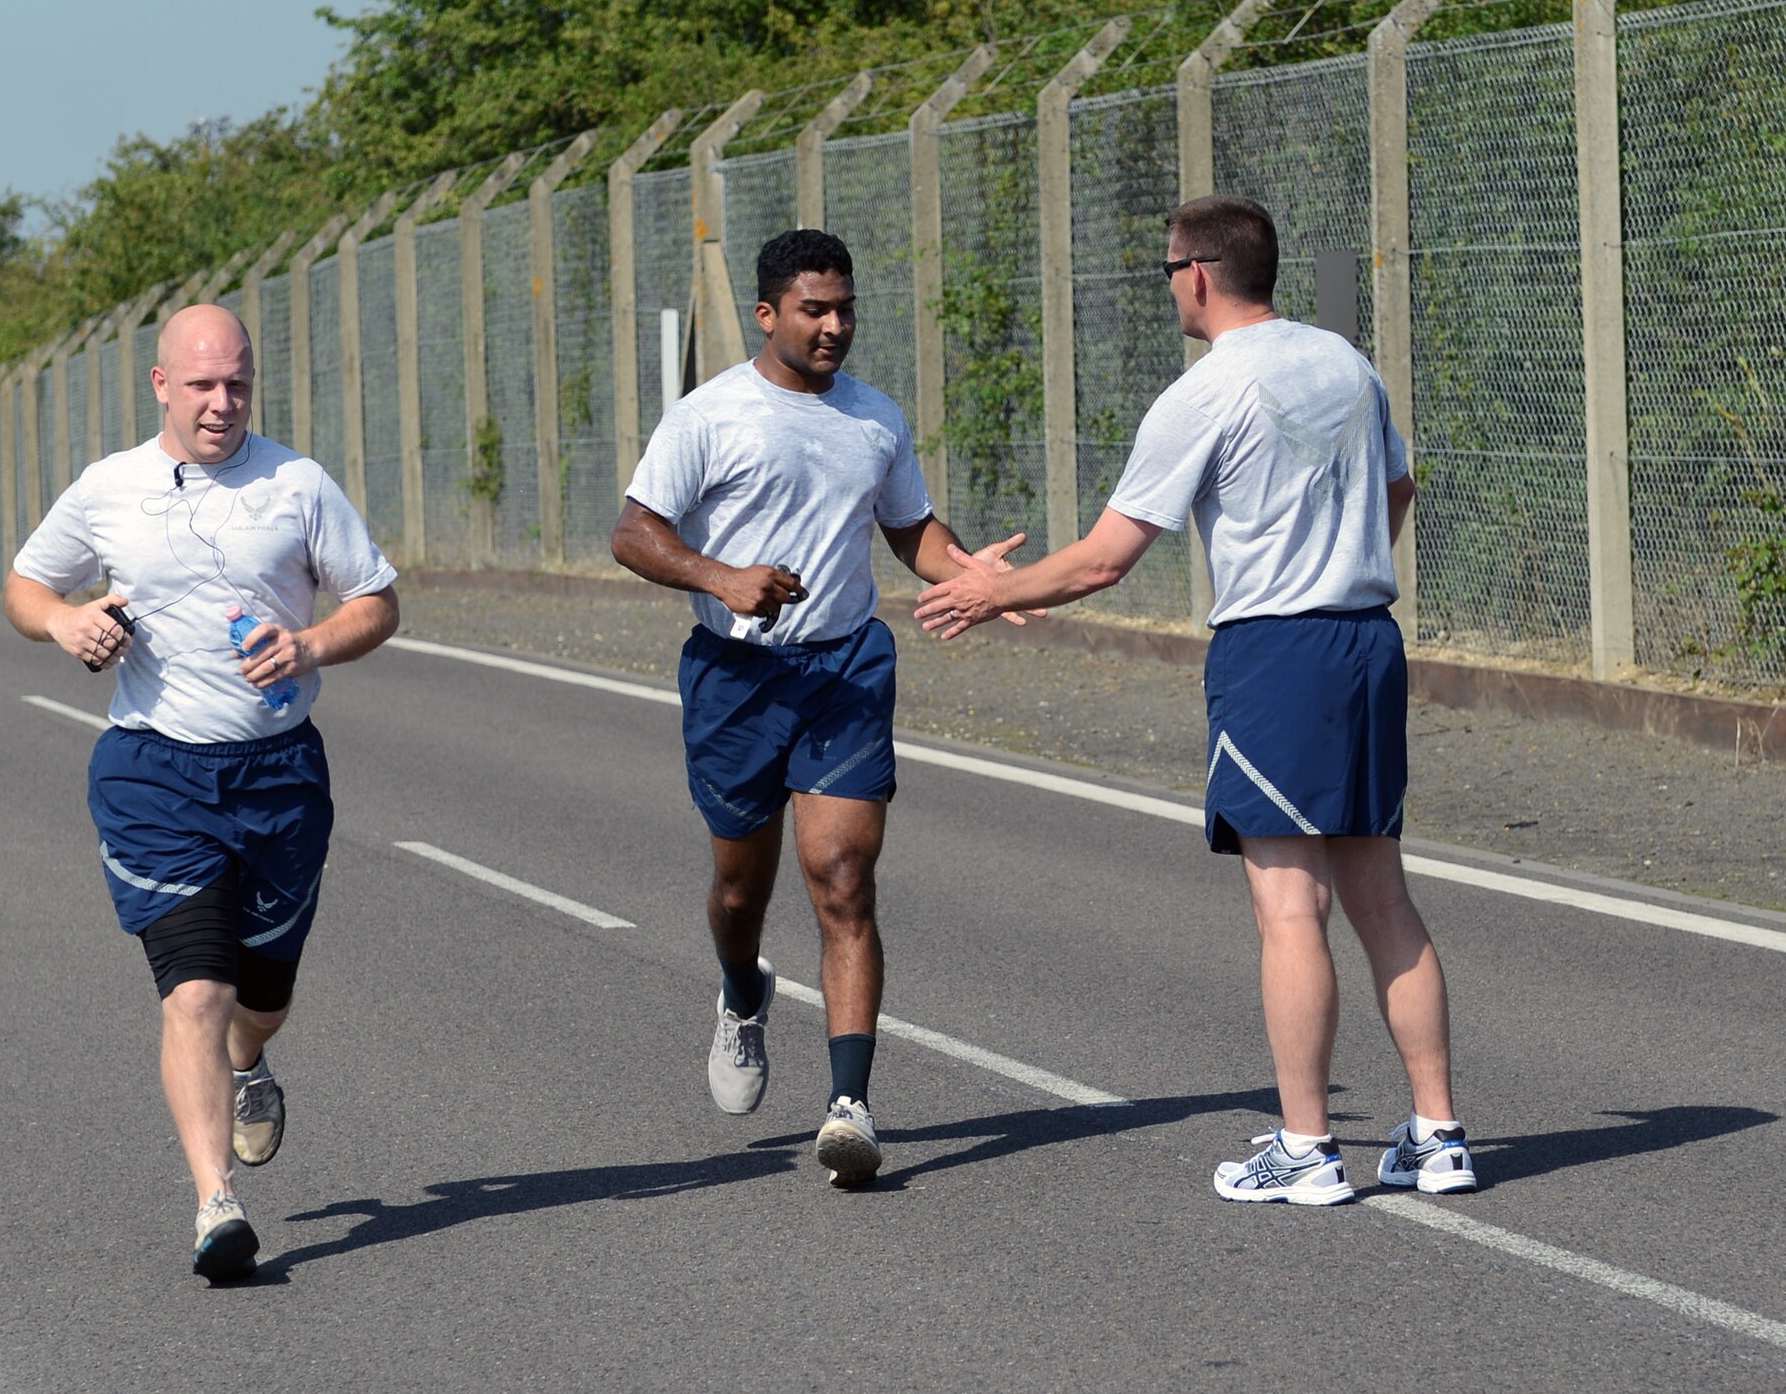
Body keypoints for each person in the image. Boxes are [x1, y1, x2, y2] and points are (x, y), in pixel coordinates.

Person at [915, 196, 1475, 1206]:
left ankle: (1305, 1146)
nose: (1168, 284)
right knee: (1380, 894)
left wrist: (989, 588)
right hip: (1366, 641)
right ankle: (1438, 1134)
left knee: (1287, 904)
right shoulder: (1347, 366)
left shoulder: (1206, 391)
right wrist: (1332, 550)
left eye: (1168, 267)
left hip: (1274, 650)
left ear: (1200, 274)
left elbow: (1100, 561)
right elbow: (1397, 491)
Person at [611, 229, 1032, 1186]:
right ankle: (740, 990)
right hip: (735, 678)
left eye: (845, 307)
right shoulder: (709, 416)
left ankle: (850, 1105)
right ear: (768, 315)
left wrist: (972, 574)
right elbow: (633, 532)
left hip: (844, 666)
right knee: (738, 889)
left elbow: (908, 526)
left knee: (841, 876)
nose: (836, 325)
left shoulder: (874, 418)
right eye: (815, 309)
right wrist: (721, 577)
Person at [5, 304, 400, 1274]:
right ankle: (215, 1203)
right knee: (195, 990)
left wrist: (308, 643)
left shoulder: (296, 483)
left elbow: (379, 602)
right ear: (159, 386)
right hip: (153, 770)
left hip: (278, 774)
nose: (222, 403)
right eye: (202, 385)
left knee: (258, 997)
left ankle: (250, 1060)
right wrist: (65, 623)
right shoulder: (109, 490)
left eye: (237, 384)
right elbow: (26, 585)